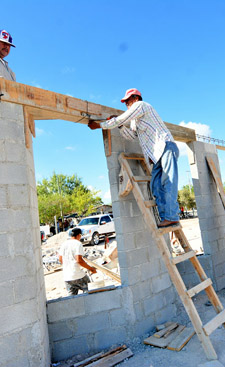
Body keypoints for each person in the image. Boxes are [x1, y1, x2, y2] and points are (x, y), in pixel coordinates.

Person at [87, 88, 179, 227]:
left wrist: (101, 125)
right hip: (157, 155)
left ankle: (172, 216)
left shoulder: (141, 106)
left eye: (128, 101)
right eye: (125, 102)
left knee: (168, 182)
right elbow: (131, 136)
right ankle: (166, 218)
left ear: (136, 98)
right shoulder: (136, 121)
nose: (126, 104)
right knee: (155, 186)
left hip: (165, 147)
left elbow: (122, 118)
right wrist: (119, 126)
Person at [57, 228, 97, 295]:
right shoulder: (78, 244)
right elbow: (79, 260)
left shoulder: (64, 244)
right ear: (79, 235)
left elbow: (60, 259)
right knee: (90, 291)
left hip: (67, 277)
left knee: (72, 298)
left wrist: (68, 265)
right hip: (78, 275)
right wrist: (91, 268)